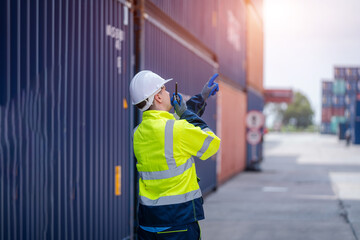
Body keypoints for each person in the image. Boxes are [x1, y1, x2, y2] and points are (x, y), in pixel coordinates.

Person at [129, 70, 221, 240]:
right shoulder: (176, 130)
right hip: (178, 223)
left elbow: (178, 128)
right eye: (164, 89)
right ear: (158, 97)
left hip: (147, 223)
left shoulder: (138, 133)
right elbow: (212, 143)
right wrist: (185, 112)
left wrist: (201, 97)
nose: (169, 92)